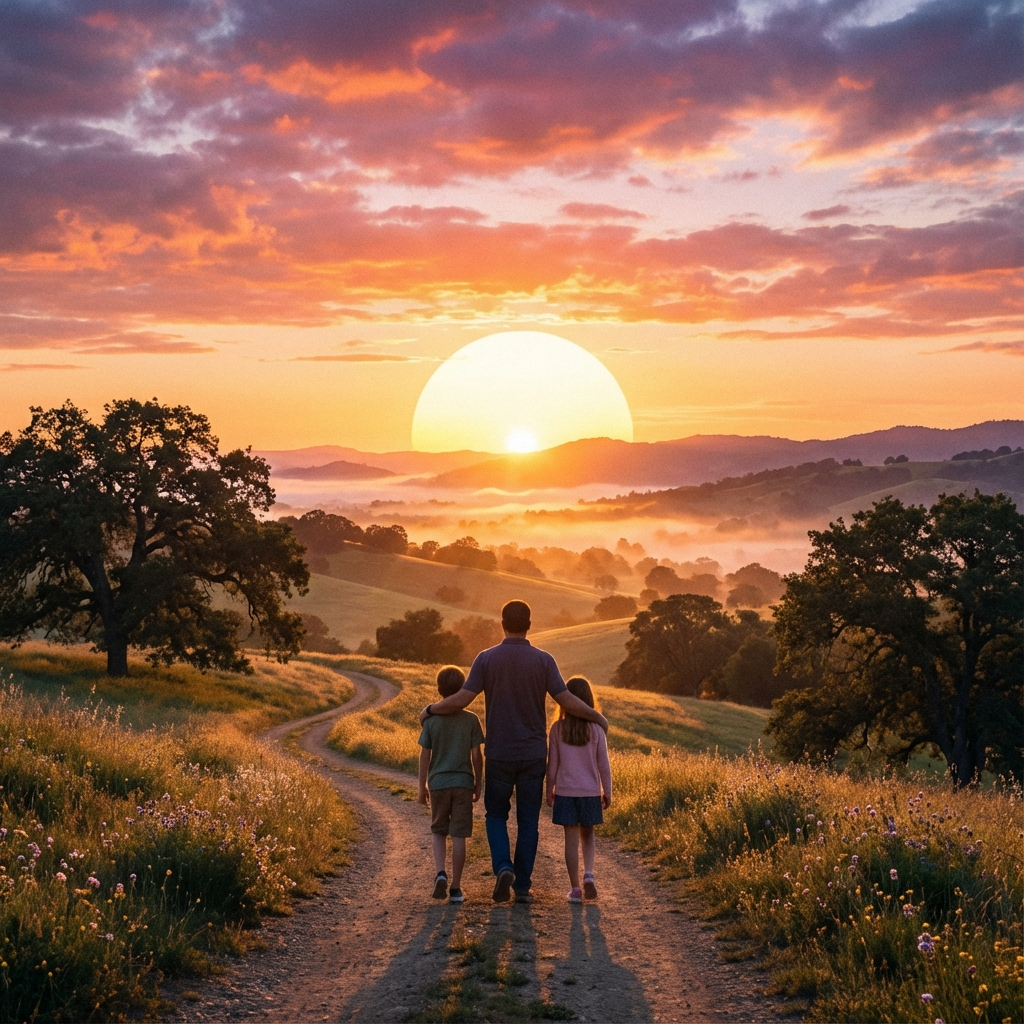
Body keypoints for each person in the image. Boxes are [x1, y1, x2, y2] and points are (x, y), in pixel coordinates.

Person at [419, 599, 608, 904]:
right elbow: (566, 700)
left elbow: (462, 699)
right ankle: (522, 887)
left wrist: (431, 709)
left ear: (502, 624)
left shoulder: (486, 658)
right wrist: (597, 716)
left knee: (495, 815)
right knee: (528, 821)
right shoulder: (544, 660)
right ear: (529, 625)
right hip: (532, 754)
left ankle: (503, 867)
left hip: (499, 753)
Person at [417, 665, 484, 904]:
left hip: (438, 783)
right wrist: (478, 782)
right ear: (463, 688)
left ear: (439, 689)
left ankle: (440, 873)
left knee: (438, 831)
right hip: (463, 783)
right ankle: (456, 888)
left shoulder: (431, 720)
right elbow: (476, 755)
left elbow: (425, 756)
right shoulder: (471, 719)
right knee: (459, 835)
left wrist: (422, 786)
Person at [545, 676, 612, 903]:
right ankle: (589, 874)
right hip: (590, 792)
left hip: (566, 792)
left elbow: (552, 764)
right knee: (588, 834)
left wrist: (549, 789)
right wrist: (608, 791)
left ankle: (575, 889)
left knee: (570, 840)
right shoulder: (596, 730)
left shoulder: (557, 729)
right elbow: (604, 765)